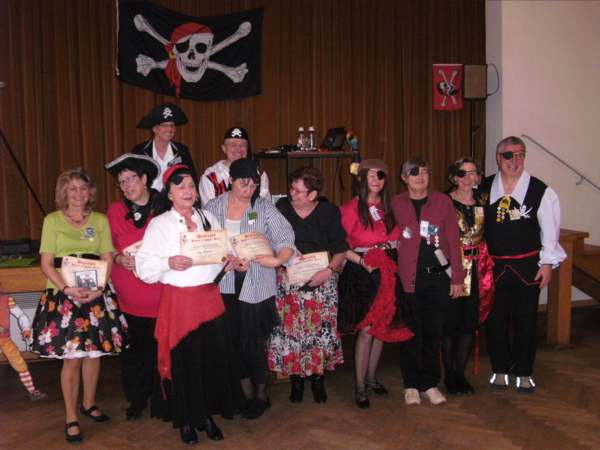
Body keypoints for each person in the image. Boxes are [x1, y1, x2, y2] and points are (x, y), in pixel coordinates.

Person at [135, 164, 238, 445]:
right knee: (184, 362)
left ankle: (206, 416)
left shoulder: (208, 218)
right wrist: (168, 262)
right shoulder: (160, 224)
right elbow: (143, 267)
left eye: (191, 186)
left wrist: (229, 259)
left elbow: (226, 249)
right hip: (180, 303)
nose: (188, 191)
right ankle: (186, 420)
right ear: (169, 193)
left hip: (210, 300)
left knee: (209, 361)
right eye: (180, 187)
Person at [31, 168, 127, 443]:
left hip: (95, 294)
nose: (78, 193)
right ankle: (71, 417)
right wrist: (67, 289)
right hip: (64, 295)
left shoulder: (100, 220)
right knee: (72, 358)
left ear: (90, 192)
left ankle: (89, 403)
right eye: (72, 188)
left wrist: (99, 289)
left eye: (83, 188)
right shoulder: (52, 220)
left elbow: (107, 258)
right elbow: (46, 264)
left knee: (93, 354)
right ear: (64, 192)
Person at [204, 158, 294, 419]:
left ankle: (261, 396)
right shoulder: (213, 207)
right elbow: (205, 243)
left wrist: (276, 260)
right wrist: (224, 259)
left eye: (254, 185)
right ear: (231, 181)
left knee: (253, 343)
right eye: (244, 184)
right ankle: (244, 395)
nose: (249, 190)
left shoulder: (263, 207)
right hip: (225, 285)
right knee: (232, 342)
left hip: (255, 285)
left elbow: (286, 239)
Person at [482, 136, 566, 392]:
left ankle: (524, 370)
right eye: (509, 155)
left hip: (528, 267)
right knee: (495, 321)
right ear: (498, 158)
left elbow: (550, 231)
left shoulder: (541, 191)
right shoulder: (483, 188)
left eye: (520, 155)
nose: (515, 160)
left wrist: (548, 264)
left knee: (526, 321)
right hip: (492, 267)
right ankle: (500, 368)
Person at [267, 167, 347, 403]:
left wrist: (328, 271)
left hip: (321, 280)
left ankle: (317, 379)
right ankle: (296, 380)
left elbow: (341, 249)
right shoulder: (281, 207)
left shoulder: (328, 212)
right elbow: (269, 240)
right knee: (290, 333)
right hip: (289, 281)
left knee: (318, 333)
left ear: (313, 194)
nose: (292, 193)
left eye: (298, 191)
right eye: (291, 188)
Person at [391, 158, 465, 406]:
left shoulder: (442, 201)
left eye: (424, 172)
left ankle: (429, 383)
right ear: (404, 178)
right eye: (414, 173)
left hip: (438, 279)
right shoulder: (397, 203)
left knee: (434, 333)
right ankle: (411, 384)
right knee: (411, 333)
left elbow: (454, 240)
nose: (420, 177)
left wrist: (457, 278)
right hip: (410, 279)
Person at [338, 159, 402, 409]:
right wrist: (362, 261)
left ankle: (372, 378)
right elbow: (340, 245)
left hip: (387, 270)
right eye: (371, 175)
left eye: (381, 176)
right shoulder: (350, 209)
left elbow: (397, 238)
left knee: (381, 328)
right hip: (363, 273)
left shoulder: (389, 208)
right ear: (361, 178)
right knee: (366, 331)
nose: (376, 180)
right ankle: (359, 386)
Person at [105, 153, 163, 420]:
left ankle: (162, 401)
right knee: (135, 353)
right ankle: (137, 400)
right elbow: (107, 248)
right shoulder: (115, 211)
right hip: (129, 299)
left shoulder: (164, 207)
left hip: (162, 296)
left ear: (145, 179)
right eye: (122, 181)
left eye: (132, 179)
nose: (127, 185)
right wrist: (118, 258)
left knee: (161, 351)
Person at [442, 157, 494, 395]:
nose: (467, 178)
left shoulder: (484, 201)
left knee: (468, 325)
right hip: (453, 269)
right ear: (454, 177)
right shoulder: (444, 202)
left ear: (478, 177)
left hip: (478, 270)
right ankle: (450, 376)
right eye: (462, 173)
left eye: (472, 173)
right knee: (450, 325)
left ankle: (460, 374)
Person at [132, 102, 197, 192]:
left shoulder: (182, 150)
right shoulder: (140, 151)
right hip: (149, 200)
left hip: (175, 199)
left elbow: (192, 178)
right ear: (154, 129)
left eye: (172, 125)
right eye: (165, 125)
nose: (169, 129)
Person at [199, 127, 270, 205]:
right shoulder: (211, 177)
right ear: (224, 148)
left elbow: (266, 207)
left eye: (243, 145)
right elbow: (209, 210)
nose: (238, 149)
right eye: (233, 145)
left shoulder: (259, 174)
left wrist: (248, 213)